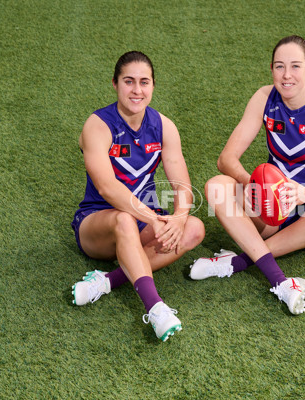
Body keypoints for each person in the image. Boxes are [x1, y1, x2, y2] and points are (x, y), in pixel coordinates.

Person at [189, 35, 305, 315]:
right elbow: (226, 159)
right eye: (279, 66)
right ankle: (277, 276)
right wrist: (255, 186)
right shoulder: (264, 97)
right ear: (272, 70)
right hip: (271, 210)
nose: (287, 75)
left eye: (295, 66)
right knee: (217, 187)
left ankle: (239, 262)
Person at [70, 51, 205, 341]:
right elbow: (107, 187)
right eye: (128, 81)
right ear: (115, 84)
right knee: (123, 220)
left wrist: (179, 219)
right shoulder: (98, 126)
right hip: (97, 224)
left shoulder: (164, 127)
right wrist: (153, 219)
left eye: (144, 82)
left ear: (153, 85)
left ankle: (106, 281)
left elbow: (182, 186)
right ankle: (155, 307)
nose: (137, 90)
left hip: (143, 221)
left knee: (194, 229)